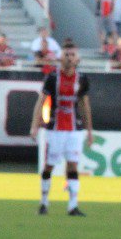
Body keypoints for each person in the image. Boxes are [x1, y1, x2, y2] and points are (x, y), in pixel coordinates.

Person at [30, 42, 91, 216]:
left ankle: (73, 205)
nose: (69, 58)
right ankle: (43, 202)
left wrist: (89, 130)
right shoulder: (52, 77)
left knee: (73, 165)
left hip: (74, 129)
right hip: (55, 128)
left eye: (72, 55)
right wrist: (34, 125)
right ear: (60, 57)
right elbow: (40, 101)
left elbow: (85, 105)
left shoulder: (82, 79)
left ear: (77, 58)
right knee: (49, 165)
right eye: (66, 54)